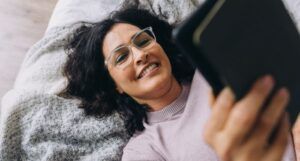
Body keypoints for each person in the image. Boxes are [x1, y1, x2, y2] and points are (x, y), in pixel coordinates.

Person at [59, 8, 298, 161]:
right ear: (113, 86)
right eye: (121, 57)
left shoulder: (211, 69)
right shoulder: (144, 150)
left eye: (142, 40)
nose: (140, 55)